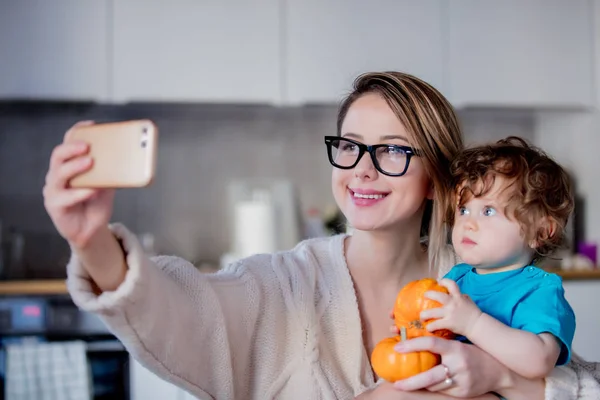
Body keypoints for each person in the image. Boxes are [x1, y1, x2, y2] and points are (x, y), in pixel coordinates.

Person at [42, 72, 600, 399]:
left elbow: (582, 383)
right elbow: (184, 312)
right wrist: (91, 241)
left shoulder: (483, 282)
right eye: (351, 145)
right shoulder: (281, 285)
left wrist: (500, 372)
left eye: (392, 151)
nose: (361, 169)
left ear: (437, 180)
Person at [418, 137, 576, 382]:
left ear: (541, 232)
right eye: (463, 210)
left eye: (488, 211)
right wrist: (413, 329)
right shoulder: (455, 278)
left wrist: (473, 323)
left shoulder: (539, 290)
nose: (467, 223)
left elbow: (539, 361)